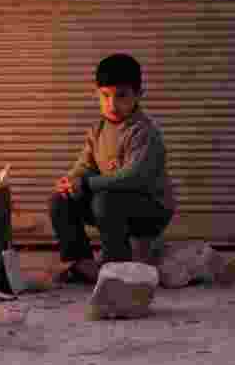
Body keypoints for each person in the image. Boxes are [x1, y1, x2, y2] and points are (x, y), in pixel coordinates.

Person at [49, 53, 176, 284]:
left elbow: (133, 177)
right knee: (61, 199)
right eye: (105, 96)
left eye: (122, 96)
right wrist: (70, 181)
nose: (112, 104)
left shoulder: (142, 132)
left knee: (105, 199)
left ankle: (117, 267)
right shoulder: (97, 129)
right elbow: (84, 165)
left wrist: (86, 183)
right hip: (110, 203)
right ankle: (80, 263)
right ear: (96, 94)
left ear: (138, 95)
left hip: (149, 208)